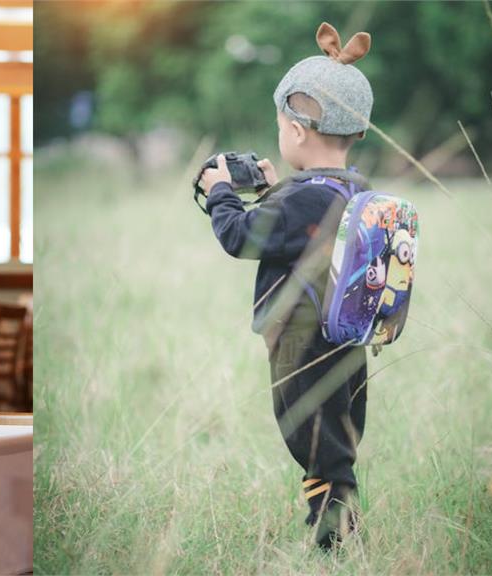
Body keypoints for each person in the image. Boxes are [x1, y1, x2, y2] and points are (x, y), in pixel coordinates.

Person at [197, 22, 375, 549]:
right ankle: (339, 526)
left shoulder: (299, 200)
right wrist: (277, 189)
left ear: (296, 131)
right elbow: (307, 233)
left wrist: (221, 191)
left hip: (301, 343)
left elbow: (240, 237)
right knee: (335, 437)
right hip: (346, 341)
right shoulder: (351, 187)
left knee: (312, 438)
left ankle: (335, 540)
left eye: (281, 125)